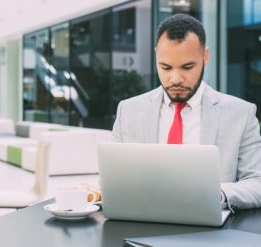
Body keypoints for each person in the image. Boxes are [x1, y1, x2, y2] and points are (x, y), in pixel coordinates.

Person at [112, 13, 261, 211]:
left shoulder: (241, 114)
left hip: (209, 232)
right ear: (156, 56)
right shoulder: (128, 111)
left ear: (205, 57)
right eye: (165, 67)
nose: (175, 79)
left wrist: (217, 194)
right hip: (142, 221)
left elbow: (257, 183)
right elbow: (112, 177)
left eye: (187, 67)